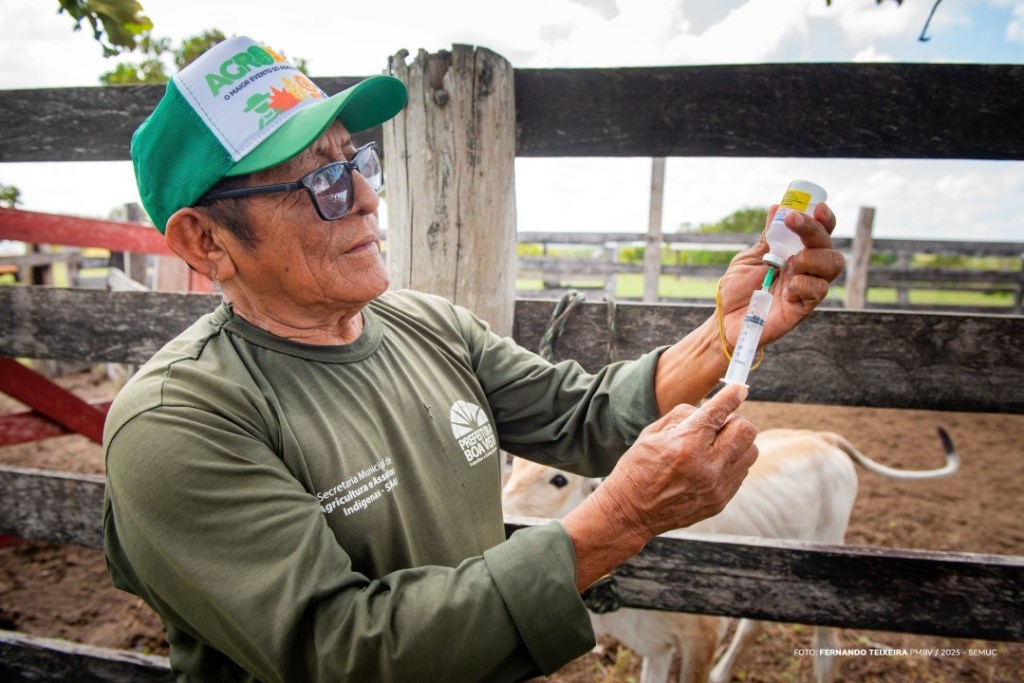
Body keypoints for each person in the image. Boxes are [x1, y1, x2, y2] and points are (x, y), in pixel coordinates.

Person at [102, 36, 844, 682]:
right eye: (320, 181)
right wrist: (620, 518)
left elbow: (583, 414)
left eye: (357, 161)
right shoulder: (179, 422)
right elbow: (340, 653)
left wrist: (729, 326)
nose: (365, 196)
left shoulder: (426, 325)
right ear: (205, 241)